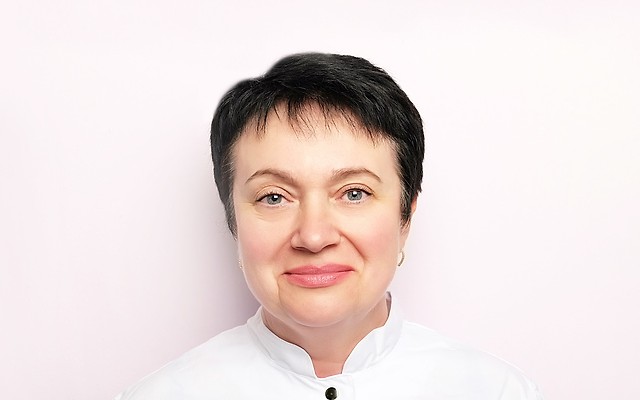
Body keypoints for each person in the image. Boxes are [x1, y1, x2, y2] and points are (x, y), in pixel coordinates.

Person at [116, 53, 543, 399]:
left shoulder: (498, 392)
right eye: (274, 197)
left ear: (406, 217)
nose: (314, 236)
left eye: (354, 193)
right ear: (234, 222)